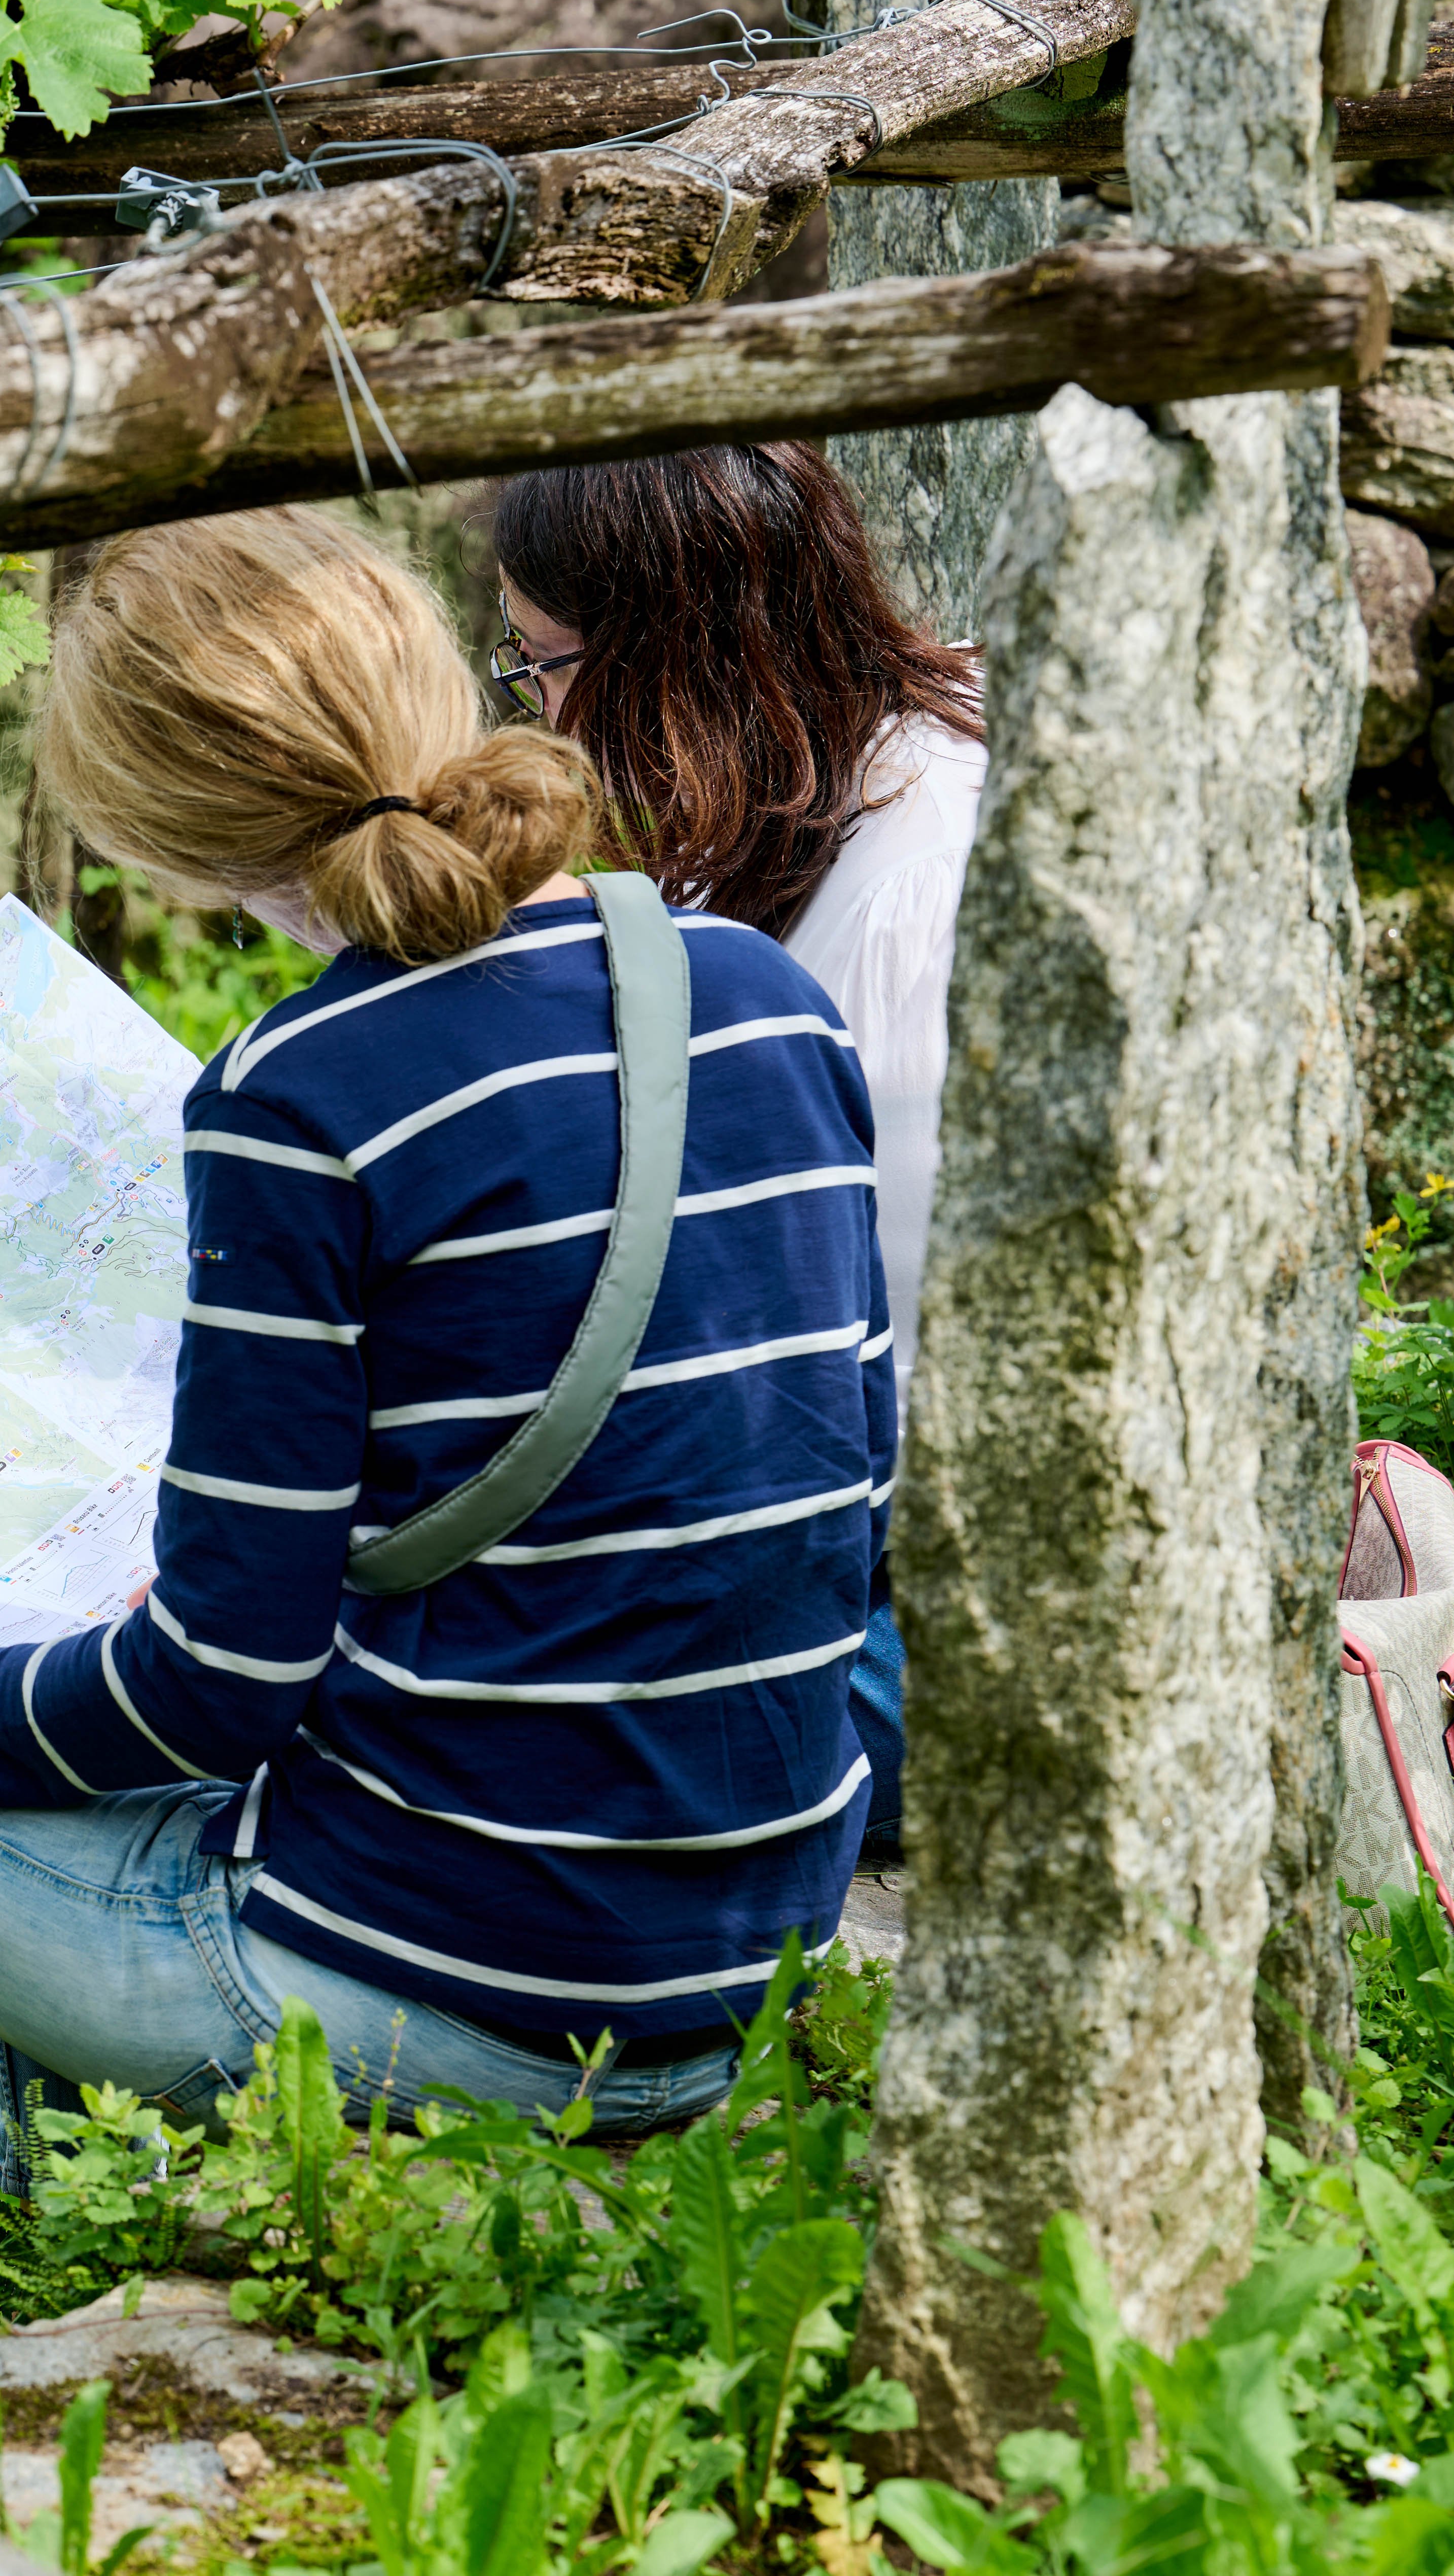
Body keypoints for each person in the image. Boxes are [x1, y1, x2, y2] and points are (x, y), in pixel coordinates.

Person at [0, 506, 890, 2310]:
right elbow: (816, 1487)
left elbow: (221, 1688)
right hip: (755, 1931)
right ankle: (40, 2242)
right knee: (35, 1731)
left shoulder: (298, 1092)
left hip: (484, 1999)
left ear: (164, 841)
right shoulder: (757, 992)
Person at [489, 443, 984, 1859]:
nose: (543, 719)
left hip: (932, 1610)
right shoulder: (796, 791)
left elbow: (868, 1406)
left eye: (544, 668)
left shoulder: (906, 903)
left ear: (669, 656)